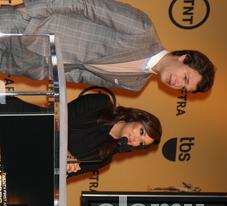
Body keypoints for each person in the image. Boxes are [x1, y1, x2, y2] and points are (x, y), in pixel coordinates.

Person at [0, 0, 215, 93]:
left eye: (183, 88)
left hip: (30, 63)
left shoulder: (135, 85)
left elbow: (81, 76)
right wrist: (29, 9)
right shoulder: (142, 30)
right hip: (30, 26)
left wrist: (45, 72)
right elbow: (85, 4)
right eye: (185, 78)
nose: (177, 84)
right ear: (184, 58)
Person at [1, 92, 162, 176]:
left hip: (18, 157)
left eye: (140, 143)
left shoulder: (103, 158)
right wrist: (66, 153)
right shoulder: (101, 104)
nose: (135, 139)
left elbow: (56, 178)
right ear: (137, 118)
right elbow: (57, 118)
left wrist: (63, 171)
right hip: (20, 121)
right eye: (141, 132)